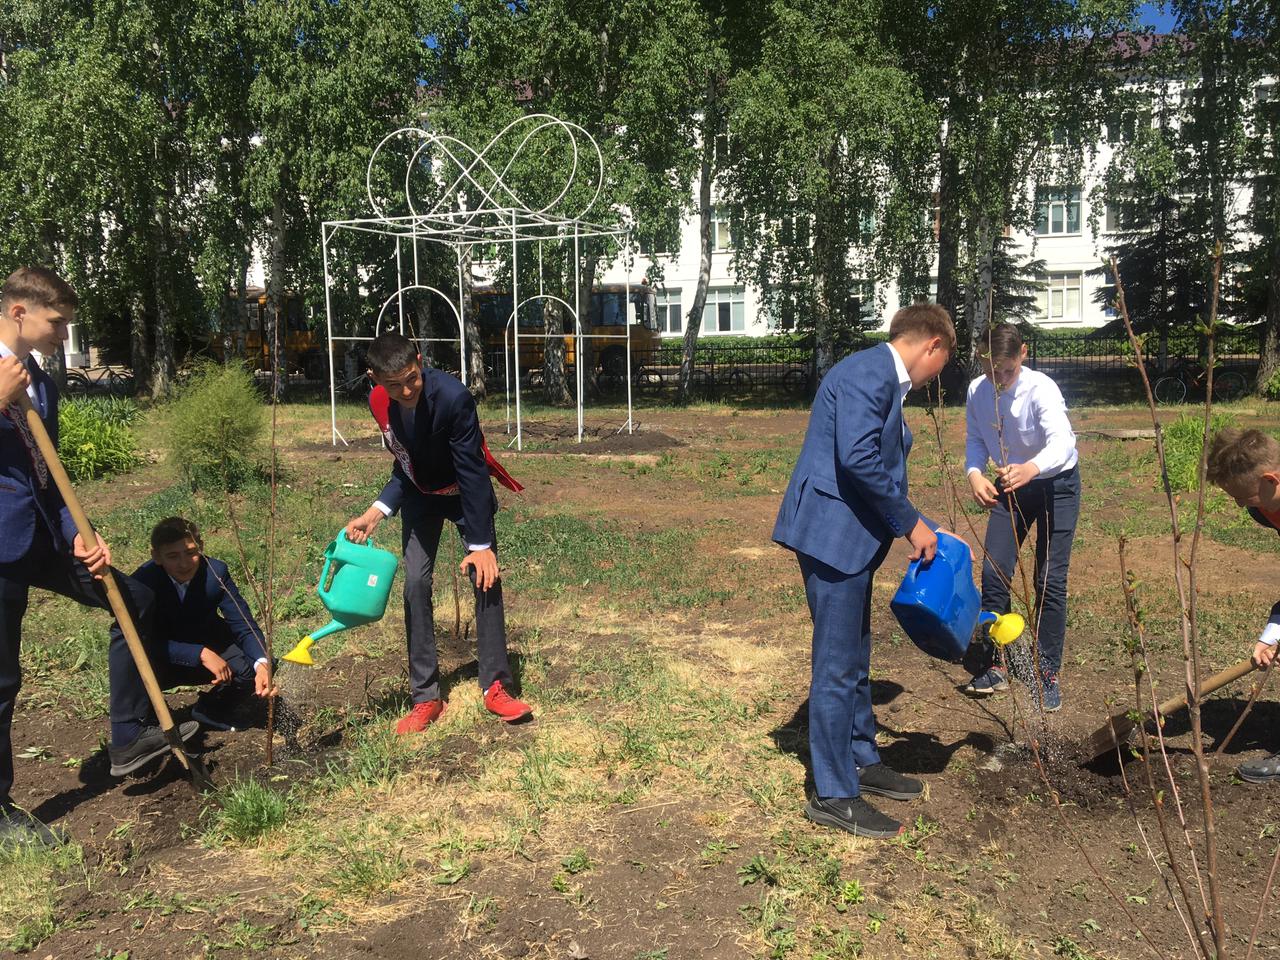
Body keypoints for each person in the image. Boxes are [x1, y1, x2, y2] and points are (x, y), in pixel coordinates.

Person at [0, 266, 196, 848]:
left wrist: (78, 532)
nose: (64, 335)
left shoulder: (39, 381)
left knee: (133, 597)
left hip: (45, 537)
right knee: (2, 678)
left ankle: (128, 737)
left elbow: (47, 471)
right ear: (19, 313)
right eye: (56, 323)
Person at [773, 303, 954, 839]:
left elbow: (874, 465)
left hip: (848, 538)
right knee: (835, 665)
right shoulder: (869, 373)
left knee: (854, 656)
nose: (936, 377)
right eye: (942, 364)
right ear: (932, 345)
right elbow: (858, 459)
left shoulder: (880, 377)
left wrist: (922, 523)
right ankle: (833, 794)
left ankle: (861, 758)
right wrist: (911, 524)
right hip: (831, 537)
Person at [345, 332, 532, 734]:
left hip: (465, 493)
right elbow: (405, 463)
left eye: (412, 378)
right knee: (415, 582)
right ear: (374, 378)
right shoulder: (379, 402)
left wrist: (481, 545)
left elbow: (472, 470)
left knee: (485, 575)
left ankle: (496, 685)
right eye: (393, 384)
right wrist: (377, 511)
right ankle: (426, 697)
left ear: (420, 360)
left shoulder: (453, 398)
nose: (406, 391)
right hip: (420, 497)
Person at [961, 324, 1079, 713]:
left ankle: (1046, 672)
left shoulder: (1041, 389)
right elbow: (975, 439)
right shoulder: (977, 391)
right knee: (994, 571)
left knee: (1049, 580)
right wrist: (974, 473)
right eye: (989, 370)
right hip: (1012, 484)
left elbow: (1063, 443)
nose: (998, 379)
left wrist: (1031, 468)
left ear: (1023, 354)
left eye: (1006, 371)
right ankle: (996, 662)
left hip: (1056, 485)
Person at [128, 517, 277, 731]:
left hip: (209, 642)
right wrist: (197, 653)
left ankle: (213, 708)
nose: (184, 564)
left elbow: (243, 624)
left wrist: (262, 664)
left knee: (254, 661)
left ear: (201, 547)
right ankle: (148, 721)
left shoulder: (215, 573)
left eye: (191, 552)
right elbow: (136, 639)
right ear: (156, 556)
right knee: (131, 667)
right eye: (173, 556)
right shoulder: (142, 582)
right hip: (160, 656)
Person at [1206, 427, 1280, 783]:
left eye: (1243, 497)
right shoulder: (1266, 509)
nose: (1239, 506)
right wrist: (1272, 633)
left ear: (1270, 480)